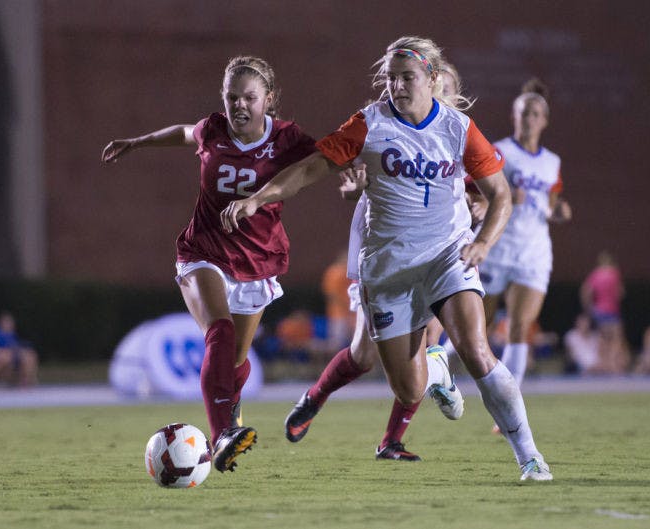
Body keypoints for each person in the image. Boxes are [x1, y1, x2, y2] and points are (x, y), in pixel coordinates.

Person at [220, 36, 553, 481]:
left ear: (432, 79)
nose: (397, 86)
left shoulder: (457, 127)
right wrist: (260, 197)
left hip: (445, 256)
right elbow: (310, 169)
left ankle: (529, 456)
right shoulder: (369, 124)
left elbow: (500, 196)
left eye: (407, 77)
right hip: (388, 270)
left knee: (476, 350)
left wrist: (483, 245)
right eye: (391, 78)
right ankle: (434, 368)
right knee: (409, 386)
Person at [101, 56, 317, 473]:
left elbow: (324, 161)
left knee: (236, 360)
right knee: (218, 332)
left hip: (257, 259)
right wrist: (139, 142)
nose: (238, 105)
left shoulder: (288, 138)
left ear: (268, 99)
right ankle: (221, 435)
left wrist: (357, 172)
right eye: (231, 96)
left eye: (249, 98)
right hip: (204, 251)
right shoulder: (214, 129)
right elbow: (185, 132)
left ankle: (228, 405)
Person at [283, 62, 477, 462]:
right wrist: (358, 190)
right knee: (363, 354)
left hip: (441, 253)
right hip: (387, 252)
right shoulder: (387, 125)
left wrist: (484, 206)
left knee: (428, 342)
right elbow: (367, 174)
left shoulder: (457, 134)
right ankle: (315, 398)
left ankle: (392, 439)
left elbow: (486, 187)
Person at [476, 78, 572, 428]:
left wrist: (558, 210)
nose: (529, 118)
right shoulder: (500, 151)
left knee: (521, 327)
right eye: (523, 112)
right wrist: (493, 199)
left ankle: (507, 408)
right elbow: (475, 194)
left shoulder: (551, 162)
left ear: (544, 120)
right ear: (514, 116)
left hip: (533, 252)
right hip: (497, 246)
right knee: (477, 327)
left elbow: (550, 203)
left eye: (535, 113)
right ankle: (442, 367)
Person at [581, 250, 625, 330]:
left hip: (599, 310)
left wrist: (589, 308)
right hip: (613, 310)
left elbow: (585, 292)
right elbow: (620, 294)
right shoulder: (615, 273)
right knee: (615, 337)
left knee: (601, 337)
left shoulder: (595, 274)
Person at [320, 250, 354, 351]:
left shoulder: (350, 272)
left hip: (352, 312)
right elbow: (332, 294)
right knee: (336, 343)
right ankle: (334, 364)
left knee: (356, 342)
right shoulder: (335, 272)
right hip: (339, 313)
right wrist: (345, 306)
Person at [0, 311, 39, 386]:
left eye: (10, 322)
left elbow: (16, 346)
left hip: (13, 355)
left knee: (30, 355)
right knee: (5, 357)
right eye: (7, 322)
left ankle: (26, 380)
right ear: (1, 322)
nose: (9, 324)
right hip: (1, 355)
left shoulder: (11, 334)